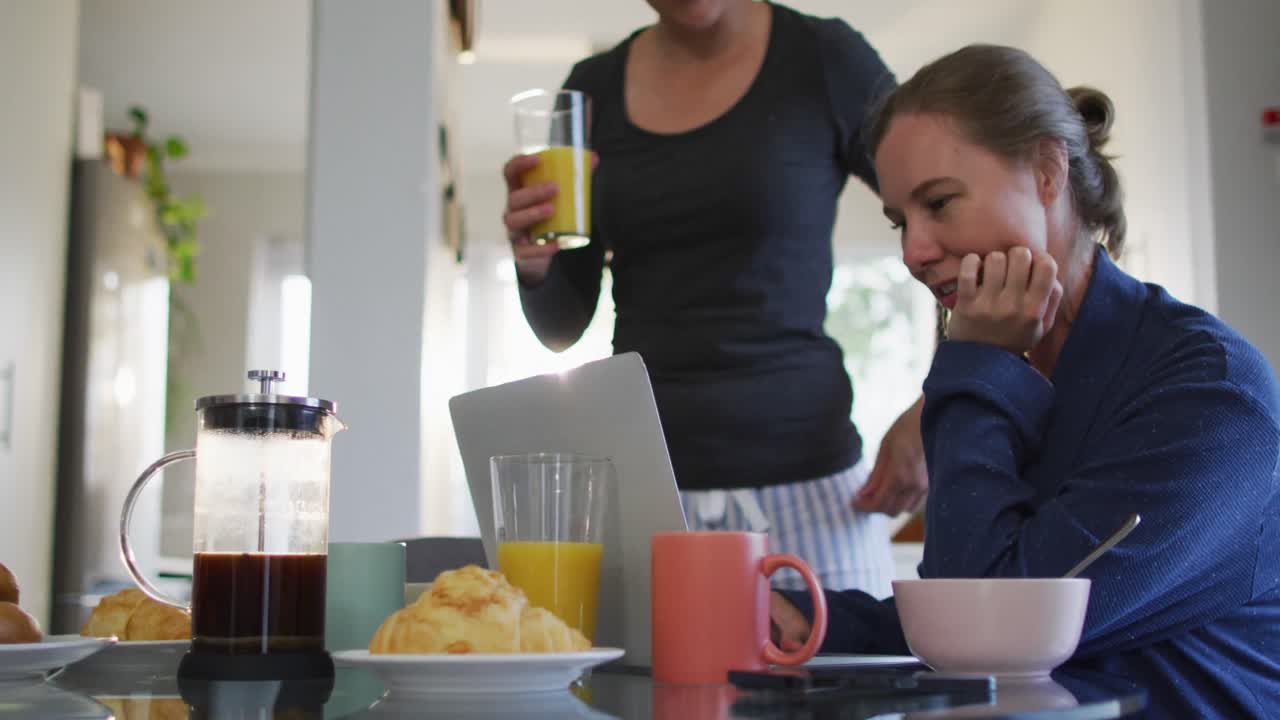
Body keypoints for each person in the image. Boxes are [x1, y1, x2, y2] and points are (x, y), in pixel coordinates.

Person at [768, 43, 1280, 716]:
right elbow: (991, 601)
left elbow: (990, 635)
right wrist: (799, 616)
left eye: (940, 203)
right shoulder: (1021, 362)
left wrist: (976, 367)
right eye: (901, 221)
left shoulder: (1207, 394)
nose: (914, 251)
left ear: (1046, 171)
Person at [502, 0, 925, 596]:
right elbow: (561, 325)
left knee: (837, 687)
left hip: (812, 485)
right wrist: (535, 262)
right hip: (647, 492)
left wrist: (937, 406)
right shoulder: (591, 88)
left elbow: (946, 215)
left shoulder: (825, 58)